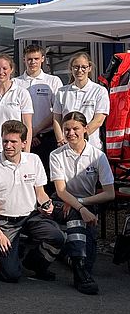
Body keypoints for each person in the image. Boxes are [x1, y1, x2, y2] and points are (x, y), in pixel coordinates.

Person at [0, 121, 65, 283]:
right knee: (11, 276)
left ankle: (34, 263)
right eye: (5, 141)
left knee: (57, 237)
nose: (8, 145)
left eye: (13, 142)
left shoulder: (34, 160)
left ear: (24, 143)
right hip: (4, 222)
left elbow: (40, 192)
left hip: (30, 217)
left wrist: (47, 204)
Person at [50, 112, 115, 295]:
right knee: (74, 215)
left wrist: (80, 203)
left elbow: (109, 194)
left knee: (90, 261)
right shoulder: (56, 155)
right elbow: (61, 191)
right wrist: (79, 207)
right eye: (67, 129)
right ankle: (79, 272)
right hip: (62, 202)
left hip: (86, 202)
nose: (71, 133)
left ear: (85, 129)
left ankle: (69, 253)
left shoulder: (98, 156)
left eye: (75, 128)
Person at [17, 45, 63, 174]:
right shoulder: (16, 82)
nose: (33, 62)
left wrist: (35, 131)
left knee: (48, 177)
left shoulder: (53, 81)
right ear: (24, 59)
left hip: (47, 138)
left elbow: (57, 111)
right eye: (29, 59)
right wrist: (28, 134)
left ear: (43, 59)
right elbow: (15, 112)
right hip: (23, 139)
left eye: (36, 58)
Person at [0, 53, 34, 157]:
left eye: (5, 68)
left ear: (11, 69)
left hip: (14, 148)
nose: (1, 72)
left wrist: (26, 152)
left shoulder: (21, 93)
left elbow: (28, 126)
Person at [52, 52, 109, 150]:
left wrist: (79, 137)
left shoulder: (99, 91)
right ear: (71, 68)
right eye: (76, 67)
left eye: (84, 67)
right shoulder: (62, 91)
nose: (80, 70)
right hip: (67, 146)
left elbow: (98, 120)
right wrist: (61, 139)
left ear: (89, 68)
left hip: (92, 146)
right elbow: (56, 119)